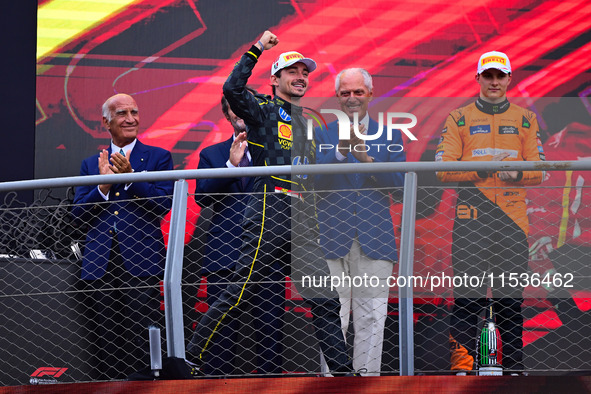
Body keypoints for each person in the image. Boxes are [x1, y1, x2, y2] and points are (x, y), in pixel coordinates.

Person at [187, 30, 354, 375]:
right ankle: (190, 360)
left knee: (325, 297)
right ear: (275, 79)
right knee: (239, 291)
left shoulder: (307, 122)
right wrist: (258, 48)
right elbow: (232, 90)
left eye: (305, 72)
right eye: (293, 71)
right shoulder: (263, 109)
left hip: (303, 215)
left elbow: (313, 172)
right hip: (270, 206)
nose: (301, 77)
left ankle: (343, 373)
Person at [435, 51, 545, 375]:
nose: (494, 82)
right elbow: (443, 169)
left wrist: (517, 174)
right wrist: (481, 170)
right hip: (472, 218)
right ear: (478, 79)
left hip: (513, 223)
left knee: (510, 301)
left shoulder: (526, 118)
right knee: (468, 297)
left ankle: (513, 368)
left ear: (509, 79)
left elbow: (539, 170)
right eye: (488, 76)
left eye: (500, 76)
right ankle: (463, 368)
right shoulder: (459, 117)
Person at [72, 93, 174, 380]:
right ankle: (109, 385)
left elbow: (163, 205)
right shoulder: (91, 164)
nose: (130, 119)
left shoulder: (157, 157)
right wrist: (103, 187)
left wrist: (131, 178)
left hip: (140, 260)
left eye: (134, 112)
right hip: (100, 263)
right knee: (105, 333)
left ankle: (145, 383)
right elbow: (77, 215)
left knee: (141, 329)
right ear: (106, 122)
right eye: (121, 113)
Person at [315, 68, 405, 376]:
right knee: (331, 316)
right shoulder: (322, 134)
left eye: (358, 92)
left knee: (372, 316)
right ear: (338, 98)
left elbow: (401, 185)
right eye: (345, 93)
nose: (352, 98)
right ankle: (331, 383)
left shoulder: (390, 135)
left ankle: (366, 383)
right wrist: (340, 153)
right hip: (329, 237)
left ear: (370, 93)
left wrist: (367, 161)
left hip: (375, 237)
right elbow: (310, 182)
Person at [192, 90, 285, 375]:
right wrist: (230, 166)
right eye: (234, 108)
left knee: (270, 337)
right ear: (227, 114)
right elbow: (202, 197)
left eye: (246, 107)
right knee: (220, 339)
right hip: (225, 258)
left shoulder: (274, 151)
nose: (240, 113)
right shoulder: (212, 154)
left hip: (267, 257)